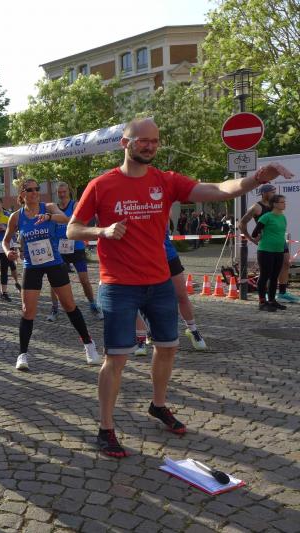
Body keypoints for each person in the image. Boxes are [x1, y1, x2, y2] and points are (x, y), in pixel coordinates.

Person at [66, 117, 293, 457]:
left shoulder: (166, 181)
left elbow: (219, 189)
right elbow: (72, 229)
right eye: (143, 140)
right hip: (119, 285)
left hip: (159, 282)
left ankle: (158, 405)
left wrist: (257, 178)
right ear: (125, 143)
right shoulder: (101, 185)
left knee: (168, 347)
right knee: (117, 358)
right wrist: (102, 232)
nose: (150, 146)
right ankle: (106, 427)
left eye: (155, 141)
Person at [3, 179, 100, 369]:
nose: (34, 192)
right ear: (22, 194)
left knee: (69, 305)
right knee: (27, 310)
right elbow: (6, 241)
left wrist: (49, 217)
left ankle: (89, 344)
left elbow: (66, 219)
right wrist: (8, 252)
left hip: (54, 262)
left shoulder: (48, 207)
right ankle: (22, 354)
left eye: (37, 189)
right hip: (32, 265)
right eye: (30, 189)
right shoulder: (16, 216)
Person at [47, 182, 103, 321]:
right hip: (59, 248)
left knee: (84, 280)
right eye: (59, 192)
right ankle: (54, 308)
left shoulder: (75, 205)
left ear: (69, 192)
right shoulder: (54, 208)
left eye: (64, 192)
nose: (62, 194)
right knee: (55, 281)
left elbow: (82, 221)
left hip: (76, 246)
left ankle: (93, 305)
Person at [240, 183, 297, 303]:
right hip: (267, 242)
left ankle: (282, 293)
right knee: (267, 271)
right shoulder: (256, 207)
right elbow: (242, 223)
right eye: (272, 192)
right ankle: (265, 295)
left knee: (286, 264)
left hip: (279, 240)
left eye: (275, 192)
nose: (274, 194)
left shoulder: (274, 205)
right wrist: (250, 238)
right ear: (264, 193)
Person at [253, 194, 289, 311]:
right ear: (274, 204)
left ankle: (272, 300)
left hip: (278, 251)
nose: (284, 204)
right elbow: (255, 232)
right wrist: (260, 236)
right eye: (282, 202)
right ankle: (262, 302)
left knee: (274, 277)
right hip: (265, 250)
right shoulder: (266, 217)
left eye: (284, 202)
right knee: (265, 276)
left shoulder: (283, 217)